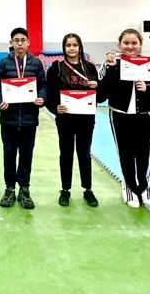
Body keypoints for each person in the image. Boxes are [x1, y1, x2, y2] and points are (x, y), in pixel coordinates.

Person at [97, 28, 150, 209]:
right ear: (119, 44)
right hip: (119, 115)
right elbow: (100, 91)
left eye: (134, 43)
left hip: (143, 116)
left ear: (140, 44)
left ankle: (146, 186)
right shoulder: (110, 63)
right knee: (125, 153)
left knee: (144, 153)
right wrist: (112, 68)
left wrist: (148, 88)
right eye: (126, 43)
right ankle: (130, 186)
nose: (130, 47)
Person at [0, 27, 47, 210]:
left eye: (23, 40)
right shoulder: (4, 63)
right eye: (16, 40)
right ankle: (9, 189)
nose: (20, 43)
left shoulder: (36, 63)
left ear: (28, 42)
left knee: (26, 155)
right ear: (11, 43)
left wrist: (42, 98)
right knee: (9, 155)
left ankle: (24, 189)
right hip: (9, 119)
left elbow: (43, 85)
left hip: (29, 119)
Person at [45, 33, 99, 207]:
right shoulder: (56, 68)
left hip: (86, 119)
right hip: (65, 119)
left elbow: (99, 97)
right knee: (66, 153)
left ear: (80, 47)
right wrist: (55, 108)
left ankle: (87, 189)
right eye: (68, 45)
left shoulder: (90, 68)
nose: (72, 48)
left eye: (75, 45)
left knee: (84, 154)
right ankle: (65, 189)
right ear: (64, 48)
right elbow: (50, 94)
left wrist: (97, 86)